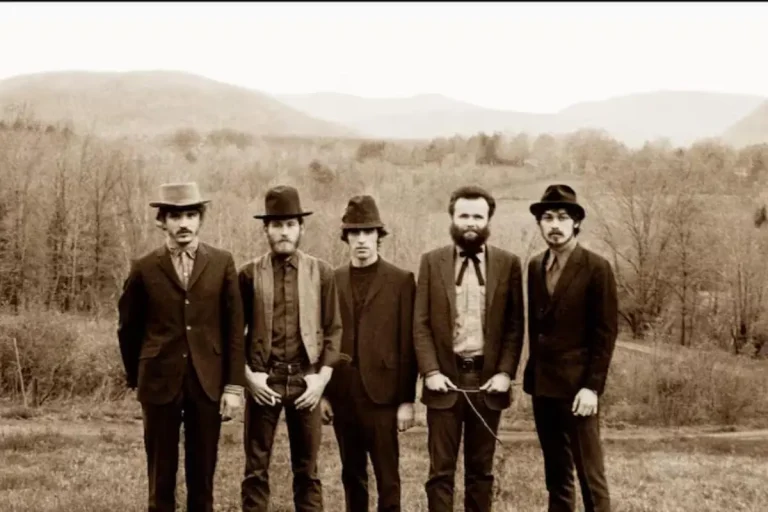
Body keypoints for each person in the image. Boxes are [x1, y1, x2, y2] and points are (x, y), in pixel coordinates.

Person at [117, 181, 245, 512]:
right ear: (162, 221)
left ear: (200, 218)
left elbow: (233, 328)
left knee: (202, 473)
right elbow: (128, 329)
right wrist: (138, 377)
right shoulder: (144, 267)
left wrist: (232, 386)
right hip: (159, 381)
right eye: (176, 216)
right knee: (161, 474)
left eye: (190, 215)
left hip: (208, 382)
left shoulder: (222, 263)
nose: (184, 223)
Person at [413, 185, 525, 512]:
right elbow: (420, 324)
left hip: (487, 383)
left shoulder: (508, 264)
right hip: (444, 382)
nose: (470, 223)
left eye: (478, 216)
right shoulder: (431, 262)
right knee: (440, 473)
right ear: (452, 218)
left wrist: (505, 372)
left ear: (489, 220)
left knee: (481, 472)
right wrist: (430, 371)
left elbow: (515, 326)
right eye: (464, 215)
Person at [238, 185, 342, 512]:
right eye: (277, 225)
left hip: (305, 381)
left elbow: (334, 330)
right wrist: (248, 378)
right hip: (263, 380)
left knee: (308, 471)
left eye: (290, 224)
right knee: (255, 470)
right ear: (266, 229)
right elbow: (230, 335)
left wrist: (320, 381)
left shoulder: (321, 272)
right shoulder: (248, 274)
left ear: (301, 228)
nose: (284, 232)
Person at [524, 184, 618, 512]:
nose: (555, 224)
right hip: (543, 387)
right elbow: (537, 328)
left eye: (563, 217)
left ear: (576, 223)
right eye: (547, 217)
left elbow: (605, 334)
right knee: (556, 474)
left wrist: (592, 388)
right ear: (539, 223)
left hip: (578, 390)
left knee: (590, 474)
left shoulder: (596, 267)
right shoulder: (535, 266)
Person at [322, 195, 418, 512]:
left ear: (379, 235)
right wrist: (324, 394)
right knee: (352, 475)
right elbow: (322, 338)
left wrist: (406, 401)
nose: (361, 240)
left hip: (384, 397)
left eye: (368, 232)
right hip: (342, 394)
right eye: (354, 233)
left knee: (387, 477)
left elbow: (408, 345)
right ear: (346, 237)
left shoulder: (401, 281)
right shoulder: (331, 280)